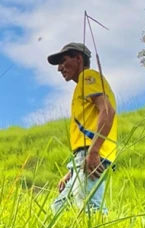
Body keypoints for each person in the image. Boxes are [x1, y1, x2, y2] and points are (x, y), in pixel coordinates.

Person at [46, 42, 118, 215]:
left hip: (92, 152)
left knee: (88, 206)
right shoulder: (82, 86)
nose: (59, 68)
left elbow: (107, 111)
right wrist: (72, 171)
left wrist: (93, 152)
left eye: (63, 61)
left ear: (78, 58)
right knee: (59, 208)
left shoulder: (88, 77)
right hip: (82, 157)